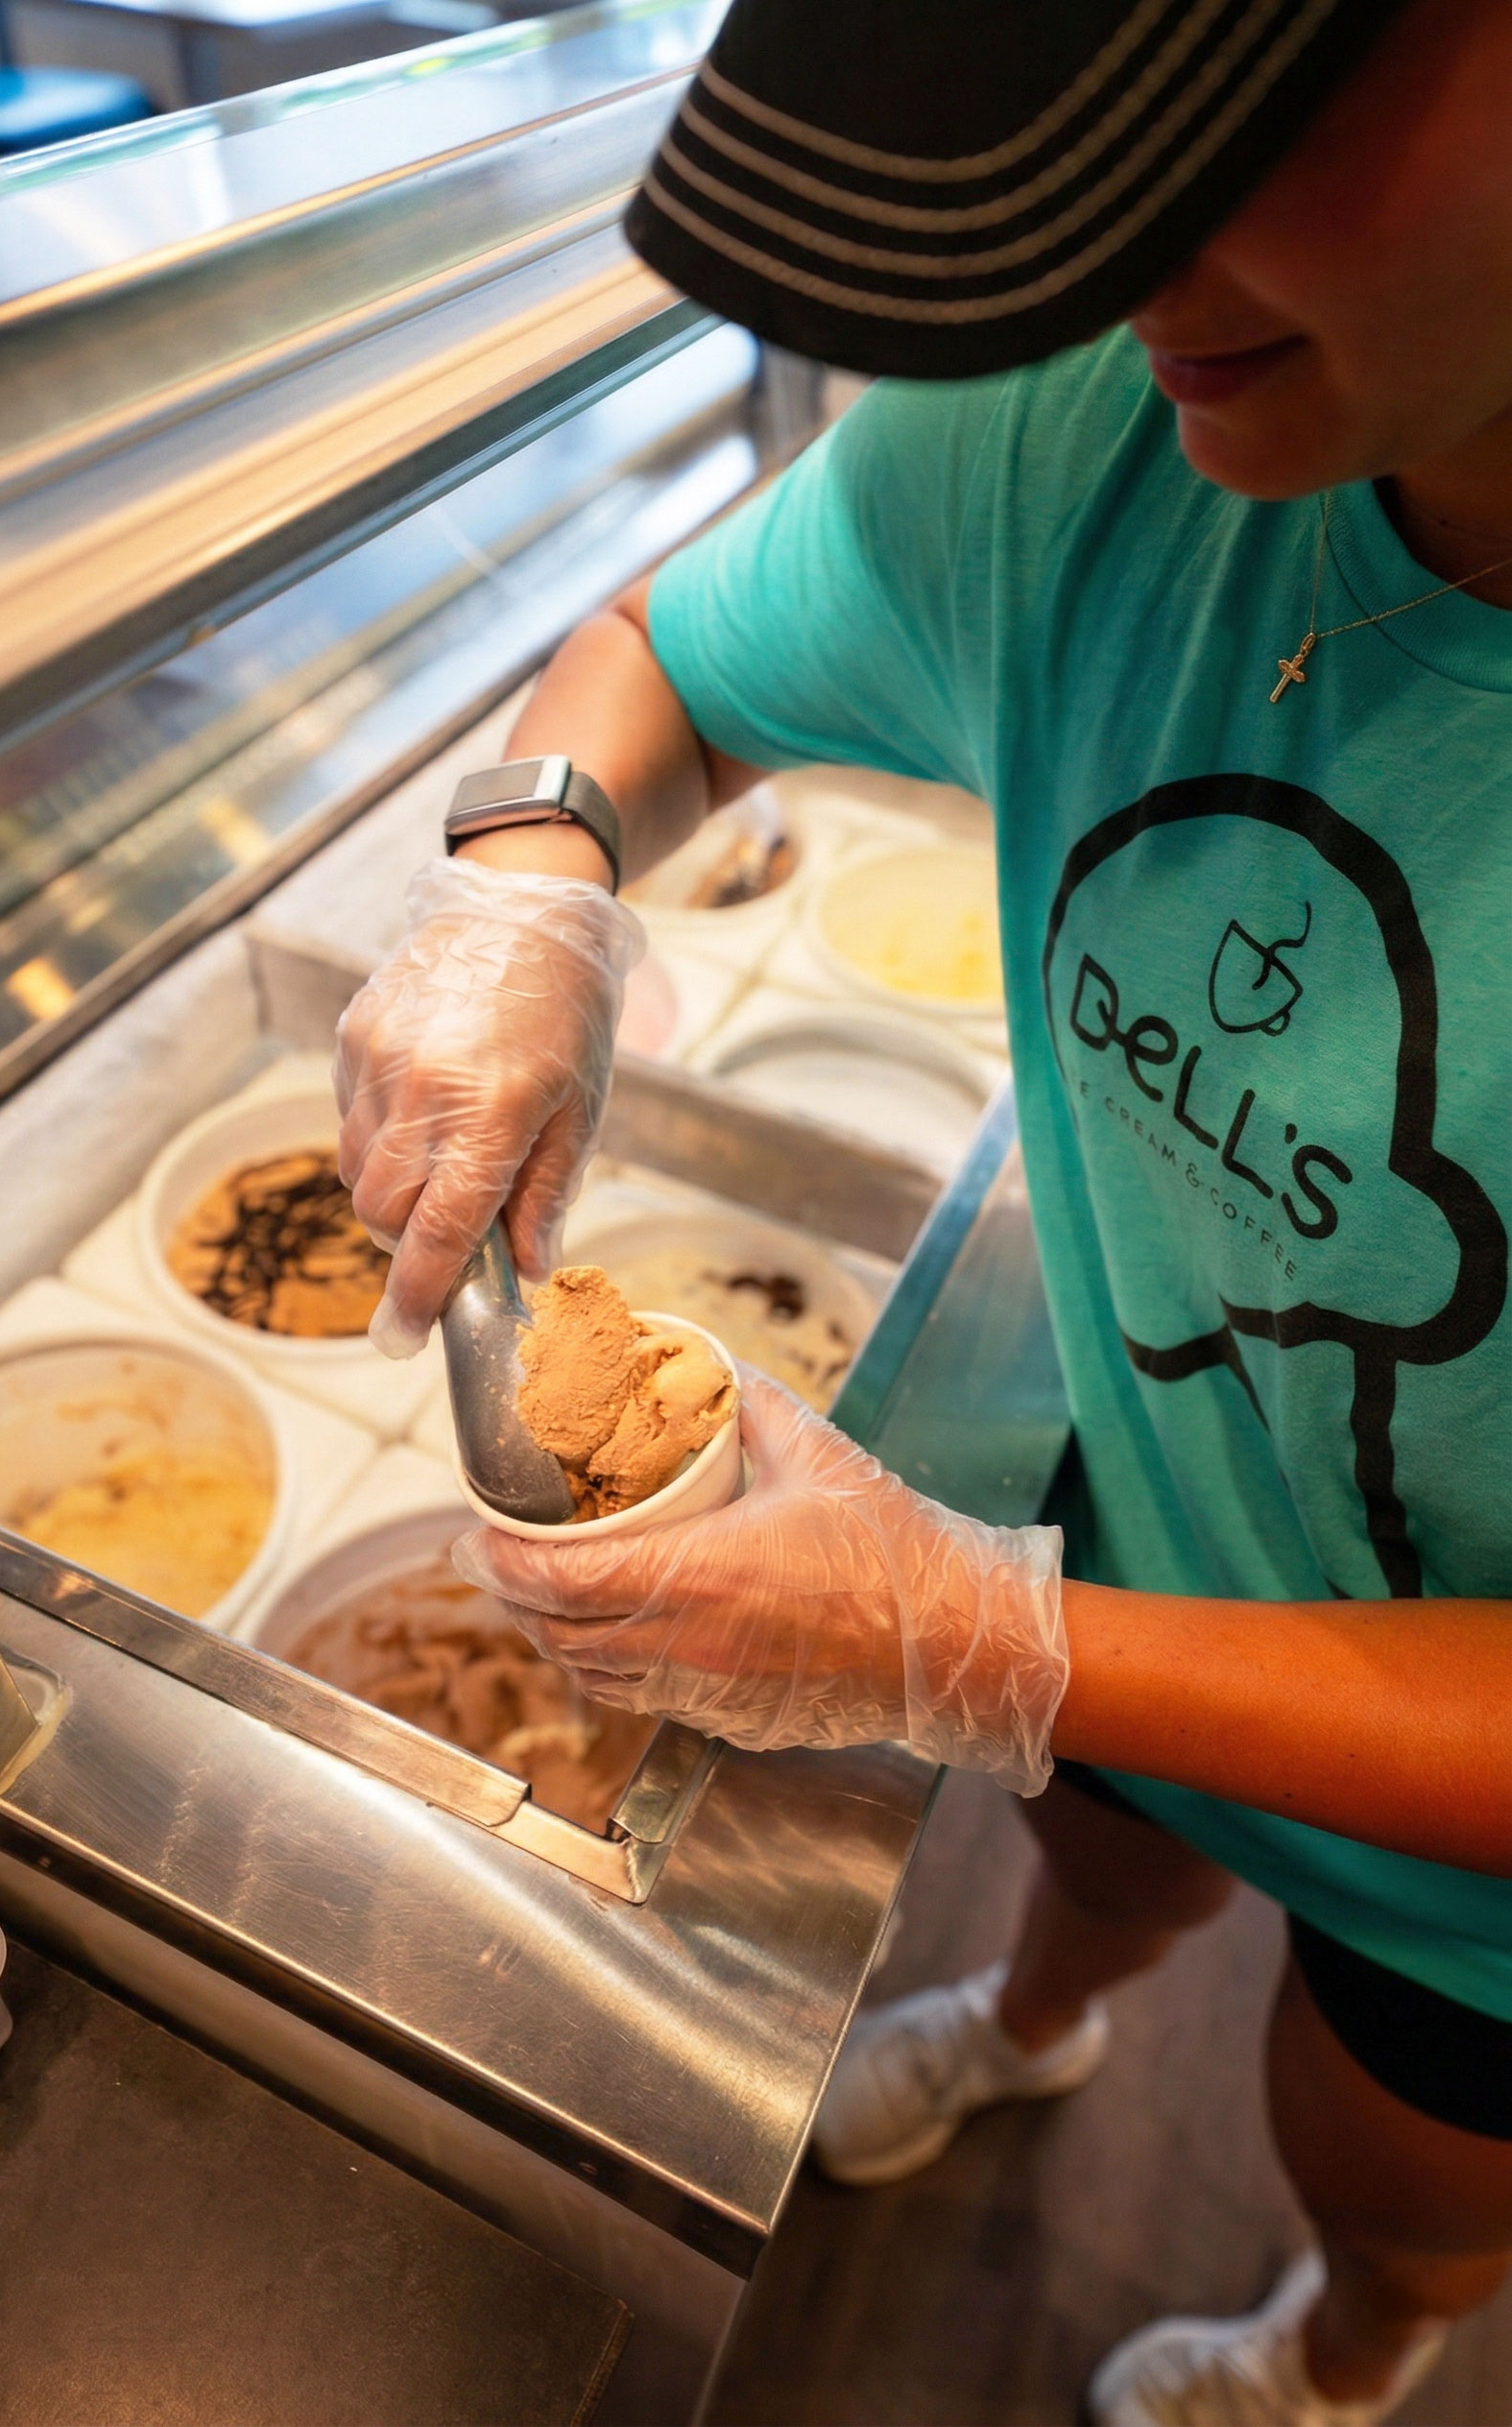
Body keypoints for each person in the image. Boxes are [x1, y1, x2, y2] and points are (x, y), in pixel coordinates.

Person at [332, 3, 1512, 2419]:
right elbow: (668, 649)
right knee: (1106, 1847)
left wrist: (994, 1641)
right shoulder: (1098, 434)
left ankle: (1338, 2349)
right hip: (1168, 1506)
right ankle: (1041, 2015)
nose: (1119, 279)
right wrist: (532, 876)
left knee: (1391, 2152)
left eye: (1245, 132)